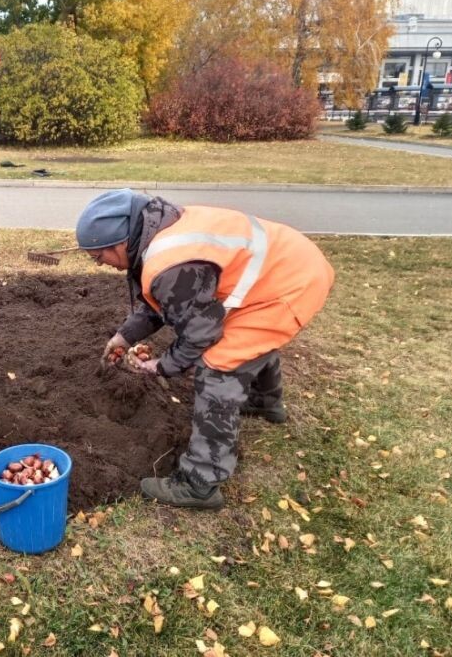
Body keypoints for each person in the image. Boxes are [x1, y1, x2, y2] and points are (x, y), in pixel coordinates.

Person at [77, 190, 334, 508]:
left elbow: (200, 336)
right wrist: (124, 336)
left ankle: (200, 482)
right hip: (288, 265)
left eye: (98, 257)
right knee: (247, 341)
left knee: (219, 365)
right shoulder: (160, 231)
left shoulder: (167, 265)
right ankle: (265, 402)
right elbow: (165, 302)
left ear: (117, 243)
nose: (101, 265)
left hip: (287, 285)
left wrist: (160, 366)